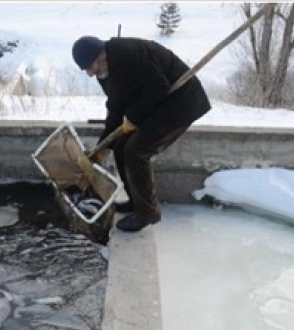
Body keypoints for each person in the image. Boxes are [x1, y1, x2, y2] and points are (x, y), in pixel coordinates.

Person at [72, 35, 211, 232]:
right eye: (86, 69)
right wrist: (103, 146)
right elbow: (115, 106)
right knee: (120, 146)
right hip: (156, 105)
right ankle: (136, 201)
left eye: (90, 66)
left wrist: (134, 117)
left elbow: (159, 87)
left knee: (136, 151)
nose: (90, 73)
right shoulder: (104, 71)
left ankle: (148, 213)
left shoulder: (128, 54)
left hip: (180, 102)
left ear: (101, 54)